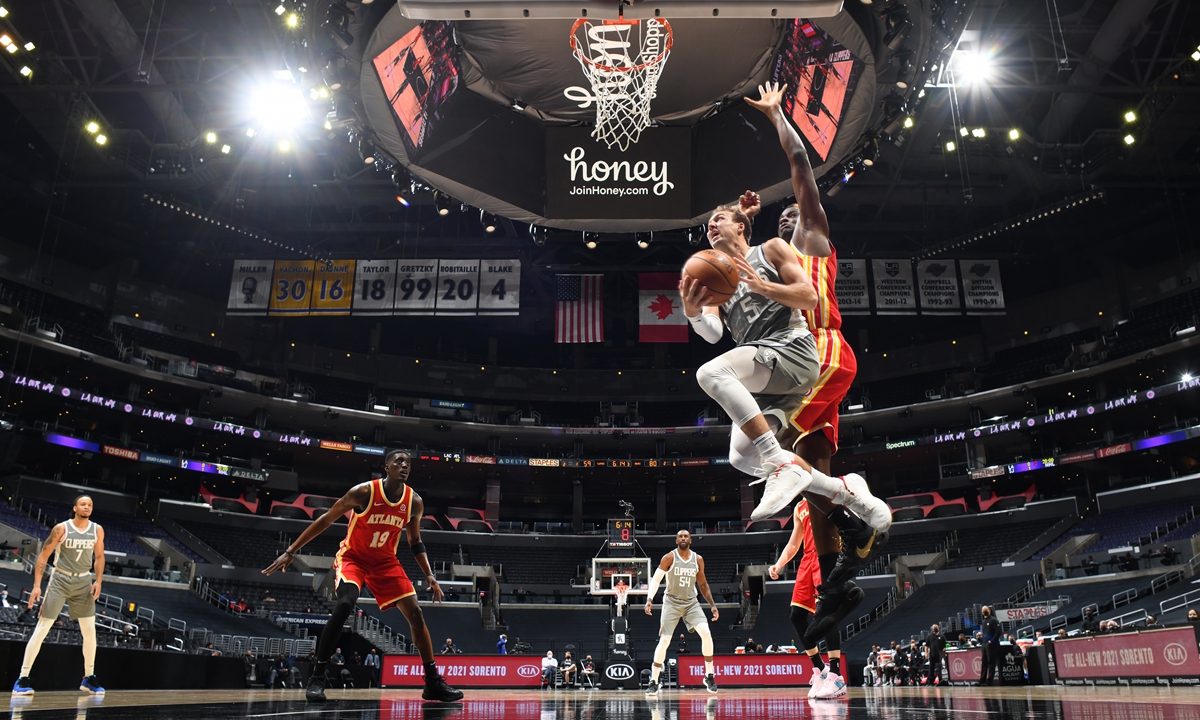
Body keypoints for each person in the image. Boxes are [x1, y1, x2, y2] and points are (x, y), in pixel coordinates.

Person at [740, 81, 889, 648]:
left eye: (788, 219)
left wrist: (779, 115)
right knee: (809, 478)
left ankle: (856, 509)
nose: (785, 224)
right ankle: (839, 578)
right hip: (806, 360)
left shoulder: (810, 237)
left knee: (771, 448)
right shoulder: (772, 258)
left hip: (822, 349)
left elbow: (801, 164)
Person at [262, 450, 462, 703]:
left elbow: (415, 542)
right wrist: (291, 551)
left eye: (408, 463)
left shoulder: (414, 502)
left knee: (416, 613)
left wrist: (429, 575)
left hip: (386, 562)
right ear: (386, 466)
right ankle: (317, 678)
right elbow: (325, 519)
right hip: (353, 558)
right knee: (345, 604)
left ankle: (433, 682)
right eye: (398, 461)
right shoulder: (363, 492)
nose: (404, 466)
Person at [12, 494, 106, 696]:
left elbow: (99, 556)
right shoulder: (61, 528)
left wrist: (98, 580)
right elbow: (44, 556)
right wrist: (37, 585)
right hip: (60, 579)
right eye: (83, 504)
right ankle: (22, 678)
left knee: (89, 631)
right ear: (75, 507)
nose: (87, 507)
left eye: (90, 504)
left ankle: (89, 678)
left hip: (83, 581)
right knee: (43, 627)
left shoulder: (97, 529)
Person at [768, 497, 847, 699]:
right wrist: (779, 564)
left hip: (826, 556)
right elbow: (795, 542)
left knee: (826, 613)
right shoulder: (799, 507)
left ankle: (836, 675)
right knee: (796, 616)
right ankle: (820, 670)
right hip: (807, 559)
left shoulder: (828, 495)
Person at [643, 530, 719, 695]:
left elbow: (703, 585)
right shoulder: (669, 557)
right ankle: (654, 680)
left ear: (690, 540)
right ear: (676, 540)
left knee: (706, 633)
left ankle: (709, 675)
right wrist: (649, 599)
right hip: (671, 602)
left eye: (686, 536)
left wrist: (712, 604)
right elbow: (656, 579)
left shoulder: (698, 559)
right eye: (680, 536)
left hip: (691, 603)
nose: (683, 538)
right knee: (664, 641)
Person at [979, 606, 1002, 686]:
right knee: (984, 662)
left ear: (989, 611)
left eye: (986, 610)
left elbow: (998, 632)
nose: (984, 611)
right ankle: (982, 680)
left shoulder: (994, 620)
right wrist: (981, 639)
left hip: (992, 644)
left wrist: (992, 641)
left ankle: (989, 681)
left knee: (991, 662)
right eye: (983, 610)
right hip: (984, 644)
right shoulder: (983, 622)